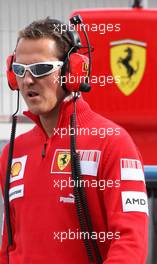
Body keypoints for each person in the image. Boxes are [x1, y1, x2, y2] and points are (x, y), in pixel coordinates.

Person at [0, 17, 148, 264]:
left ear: (72, 71)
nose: (27, 80)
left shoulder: (113, 143)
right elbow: (9, 244)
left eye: (40, 69)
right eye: (20, 70)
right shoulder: (13, 152)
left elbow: (130, 243)